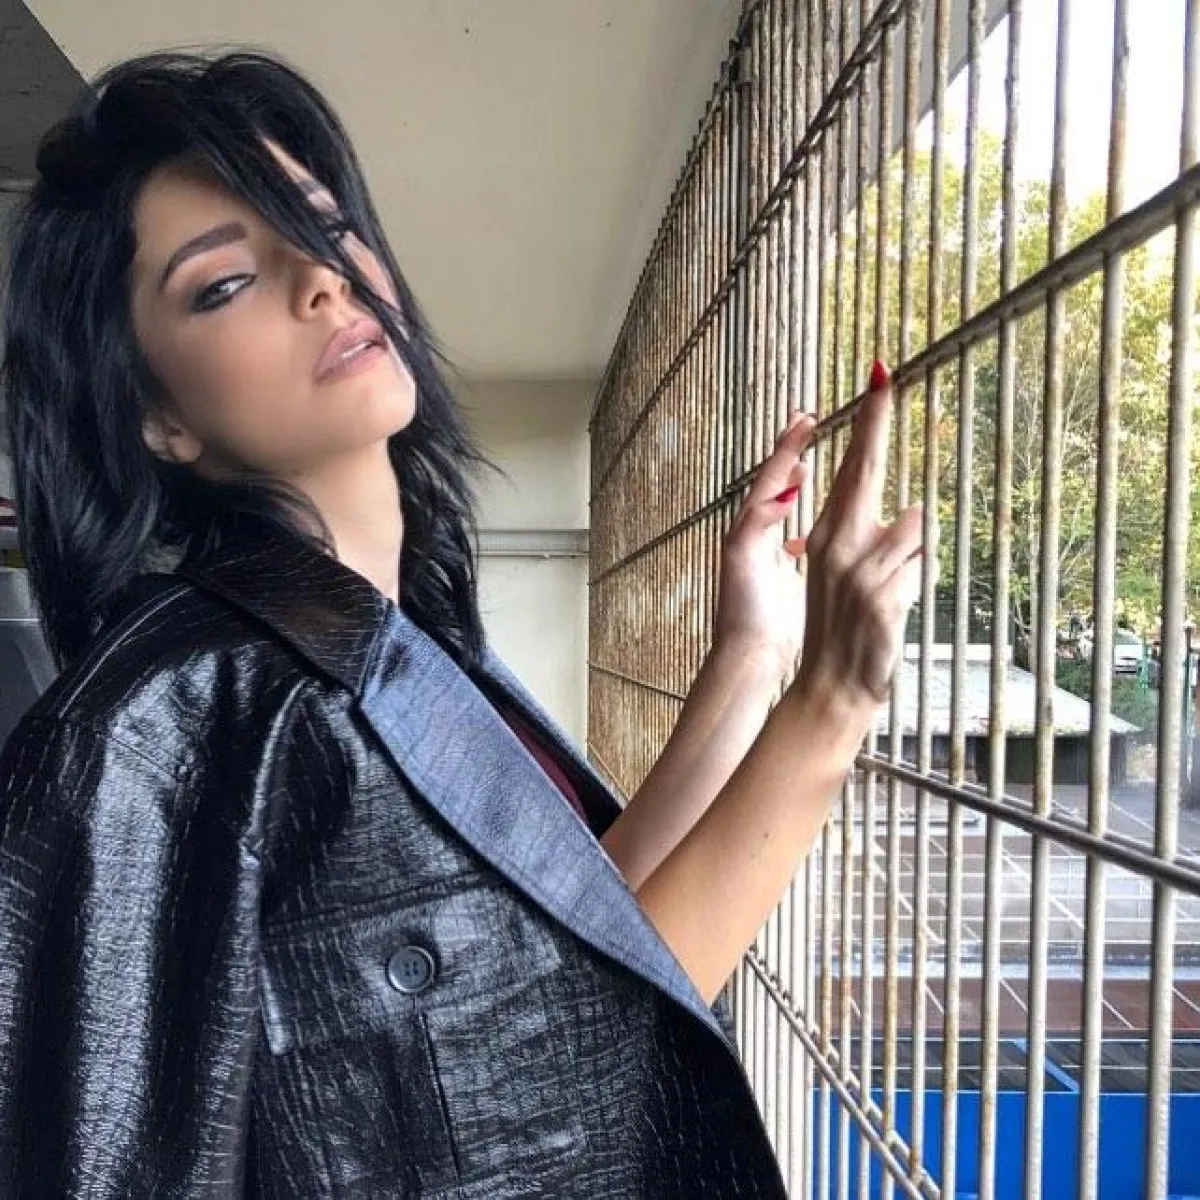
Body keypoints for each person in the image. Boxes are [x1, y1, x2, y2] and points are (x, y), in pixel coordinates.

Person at [0, 48, 927, 1198]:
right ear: (156, 417)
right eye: (224, 283)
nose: (321, 278)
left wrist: (755, 652)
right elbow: (584, 1081)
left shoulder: (414, 640)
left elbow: (584, 960)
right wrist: (827, 710)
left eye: (323, 225)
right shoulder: (153, 728)